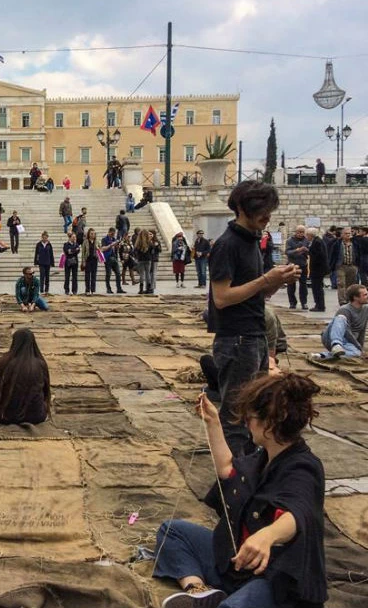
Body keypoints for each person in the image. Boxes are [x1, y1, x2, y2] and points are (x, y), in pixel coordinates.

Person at [154, 373, 326, 608]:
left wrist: (267, 536)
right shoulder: (262, 455)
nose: (246, 422)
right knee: (172, 532)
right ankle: (198, 591)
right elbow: (229, 470)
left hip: (272, 580)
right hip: (234, 565)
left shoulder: (303, 468)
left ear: (273, 420)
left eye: (251, 417)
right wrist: (213, 423)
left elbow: (299, 512)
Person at [208, 180, 300, 455]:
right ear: (241, 207)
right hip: (237, 339)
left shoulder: (251, 241)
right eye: (261, 209)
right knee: (236, 414)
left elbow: (256, 294)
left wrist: (278, 281)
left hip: (254, 335)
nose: (267, 216)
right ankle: (234, 477)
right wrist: (264, 280)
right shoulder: (227, 245)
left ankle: (248, 467)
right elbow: (222, 298)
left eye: (269, 210)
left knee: (255, 408)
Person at [0, 328, 50, 424]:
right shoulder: (41, 363)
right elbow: (46, 392)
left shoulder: (6, 361)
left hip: (5, 416)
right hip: (37, 417)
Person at [311, 283, 368, 359]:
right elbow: (346, 332)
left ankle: (322, 356)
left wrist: (360, 348)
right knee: (341, 318)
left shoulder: (365, 309)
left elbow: (362, 330)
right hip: (333, 337)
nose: (367, 296)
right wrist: (357, 345)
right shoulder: (344, 310)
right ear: (355, 297)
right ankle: (336, 345)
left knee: (356, 353)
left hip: (348, 342)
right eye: (365, 295)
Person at [285, 225, 310, 310]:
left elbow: (309, 251)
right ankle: (292, 302)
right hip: (292, 265)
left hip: (303, 264)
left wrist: (306, 251)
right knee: (291, 284)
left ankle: (304, 302)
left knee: (303, 285)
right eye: (299, 232)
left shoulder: (306, 240)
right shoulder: (290, 240)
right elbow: (287, 252)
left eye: (302, 232)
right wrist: (297, 250)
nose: (301, 234)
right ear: (296, 232)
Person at [332, 226, 358, 306]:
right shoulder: (337, 244)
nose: (348, 235)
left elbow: (359, 253)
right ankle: (342, 301)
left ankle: (349, 299)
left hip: (352, 266)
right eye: (346, 233)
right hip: (341, 266)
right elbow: (333, 254)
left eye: (349, 233)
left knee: (351, 284)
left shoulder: (355, 243)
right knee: (341, 283)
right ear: (342, 235)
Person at [307, 228, 329, 313]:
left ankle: (320, 305)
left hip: (318, 269)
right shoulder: (317, 241)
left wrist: (309, 252)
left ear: (310, 235)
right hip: (318, 269)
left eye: (307, 235)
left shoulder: (317, 242)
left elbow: (318, 255)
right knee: (317, 287)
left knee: (317, 288)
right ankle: (319, 304)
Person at [101, 227, 125, 294]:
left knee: (118, 273)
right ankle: (108, 289)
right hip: (108, 258)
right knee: (108, 274)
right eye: (112, 234)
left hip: (114, 258)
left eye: (114, 234)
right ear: (109, 232)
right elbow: (103, 248)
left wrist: (118, 245)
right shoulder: (104, 239)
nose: (113, 235)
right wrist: (111, 245)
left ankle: (119, 288)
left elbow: (116, 248)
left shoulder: (114, 239)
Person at [81, 228, 102, 295]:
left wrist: (98, 249)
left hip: (94, 259)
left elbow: (100, 250)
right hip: (88, 260)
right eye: (91, 233)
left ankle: (93, 290)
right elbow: (83, 253)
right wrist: (83, 261)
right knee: (87, 275)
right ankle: (87, 290)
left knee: (93, 275)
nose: (93, 235)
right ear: (89, 234)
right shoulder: (85, 241)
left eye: (94, 234)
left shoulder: (97, 241)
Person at [133, 229, 153, 295]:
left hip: (140, 260)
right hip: (148, 259)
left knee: (141, 274)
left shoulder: (138, 242)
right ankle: (148, 288)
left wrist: (136, 256)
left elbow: (134, 251)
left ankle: (141, 289)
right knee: (148, 274)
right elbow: (152, 250)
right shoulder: (149, 242)